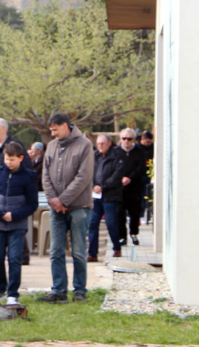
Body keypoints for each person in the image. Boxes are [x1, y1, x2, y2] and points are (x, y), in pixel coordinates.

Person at [40, 113, 94, 304]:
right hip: (56, 208)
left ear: (65, 126)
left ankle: (79, 290)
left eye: (55, 130)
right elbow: (45, 174)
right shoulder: (52, 146)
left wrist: (63, 200)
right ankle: (59, 290)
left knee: (78, 251)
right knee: (55, 251)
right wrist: (53, 200)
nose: (53, 134)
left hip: (79, 207)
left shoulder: (85, 145)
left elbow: (84, 177)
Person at [0, 142, 38, 307]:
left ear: (20, 158)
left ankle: (13, 293)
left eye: (12, 159)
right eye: (7, 159)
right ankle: (0, 289)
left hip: (17, 225)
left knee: (14, 258)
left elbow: (32, 204)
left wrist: (14, 215)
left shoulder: (29, 177)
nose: (8, 162)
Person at [87, 134, 125, 262]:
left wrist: (103, 186)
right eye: (98, 143)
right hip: (96, 196)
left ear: (109, 143)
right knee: (92, 223)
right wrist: (93, 186)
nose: (100, 146)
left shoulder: (117, 156)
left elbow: (117, 176)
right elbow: (87, 173)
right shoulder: (93, 156)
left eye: (102, 143)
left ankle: (116, 247)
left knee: (110, 222)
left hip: (110, 195)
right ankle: (92, 253)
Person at [116, 129, 146, 247]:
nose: (126, 141)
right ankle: (122, 236)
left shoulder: (139, 151)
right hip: (119, 188)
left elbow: (141, 168)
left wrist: (130, 178)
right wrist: (120, 178)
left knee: (134, 212)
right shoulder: (116, 152)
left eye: (129, 139)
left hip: (134, 187)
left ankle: (134, 233)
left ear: (133, 139)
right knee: (119, 213)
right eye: (124, 138)